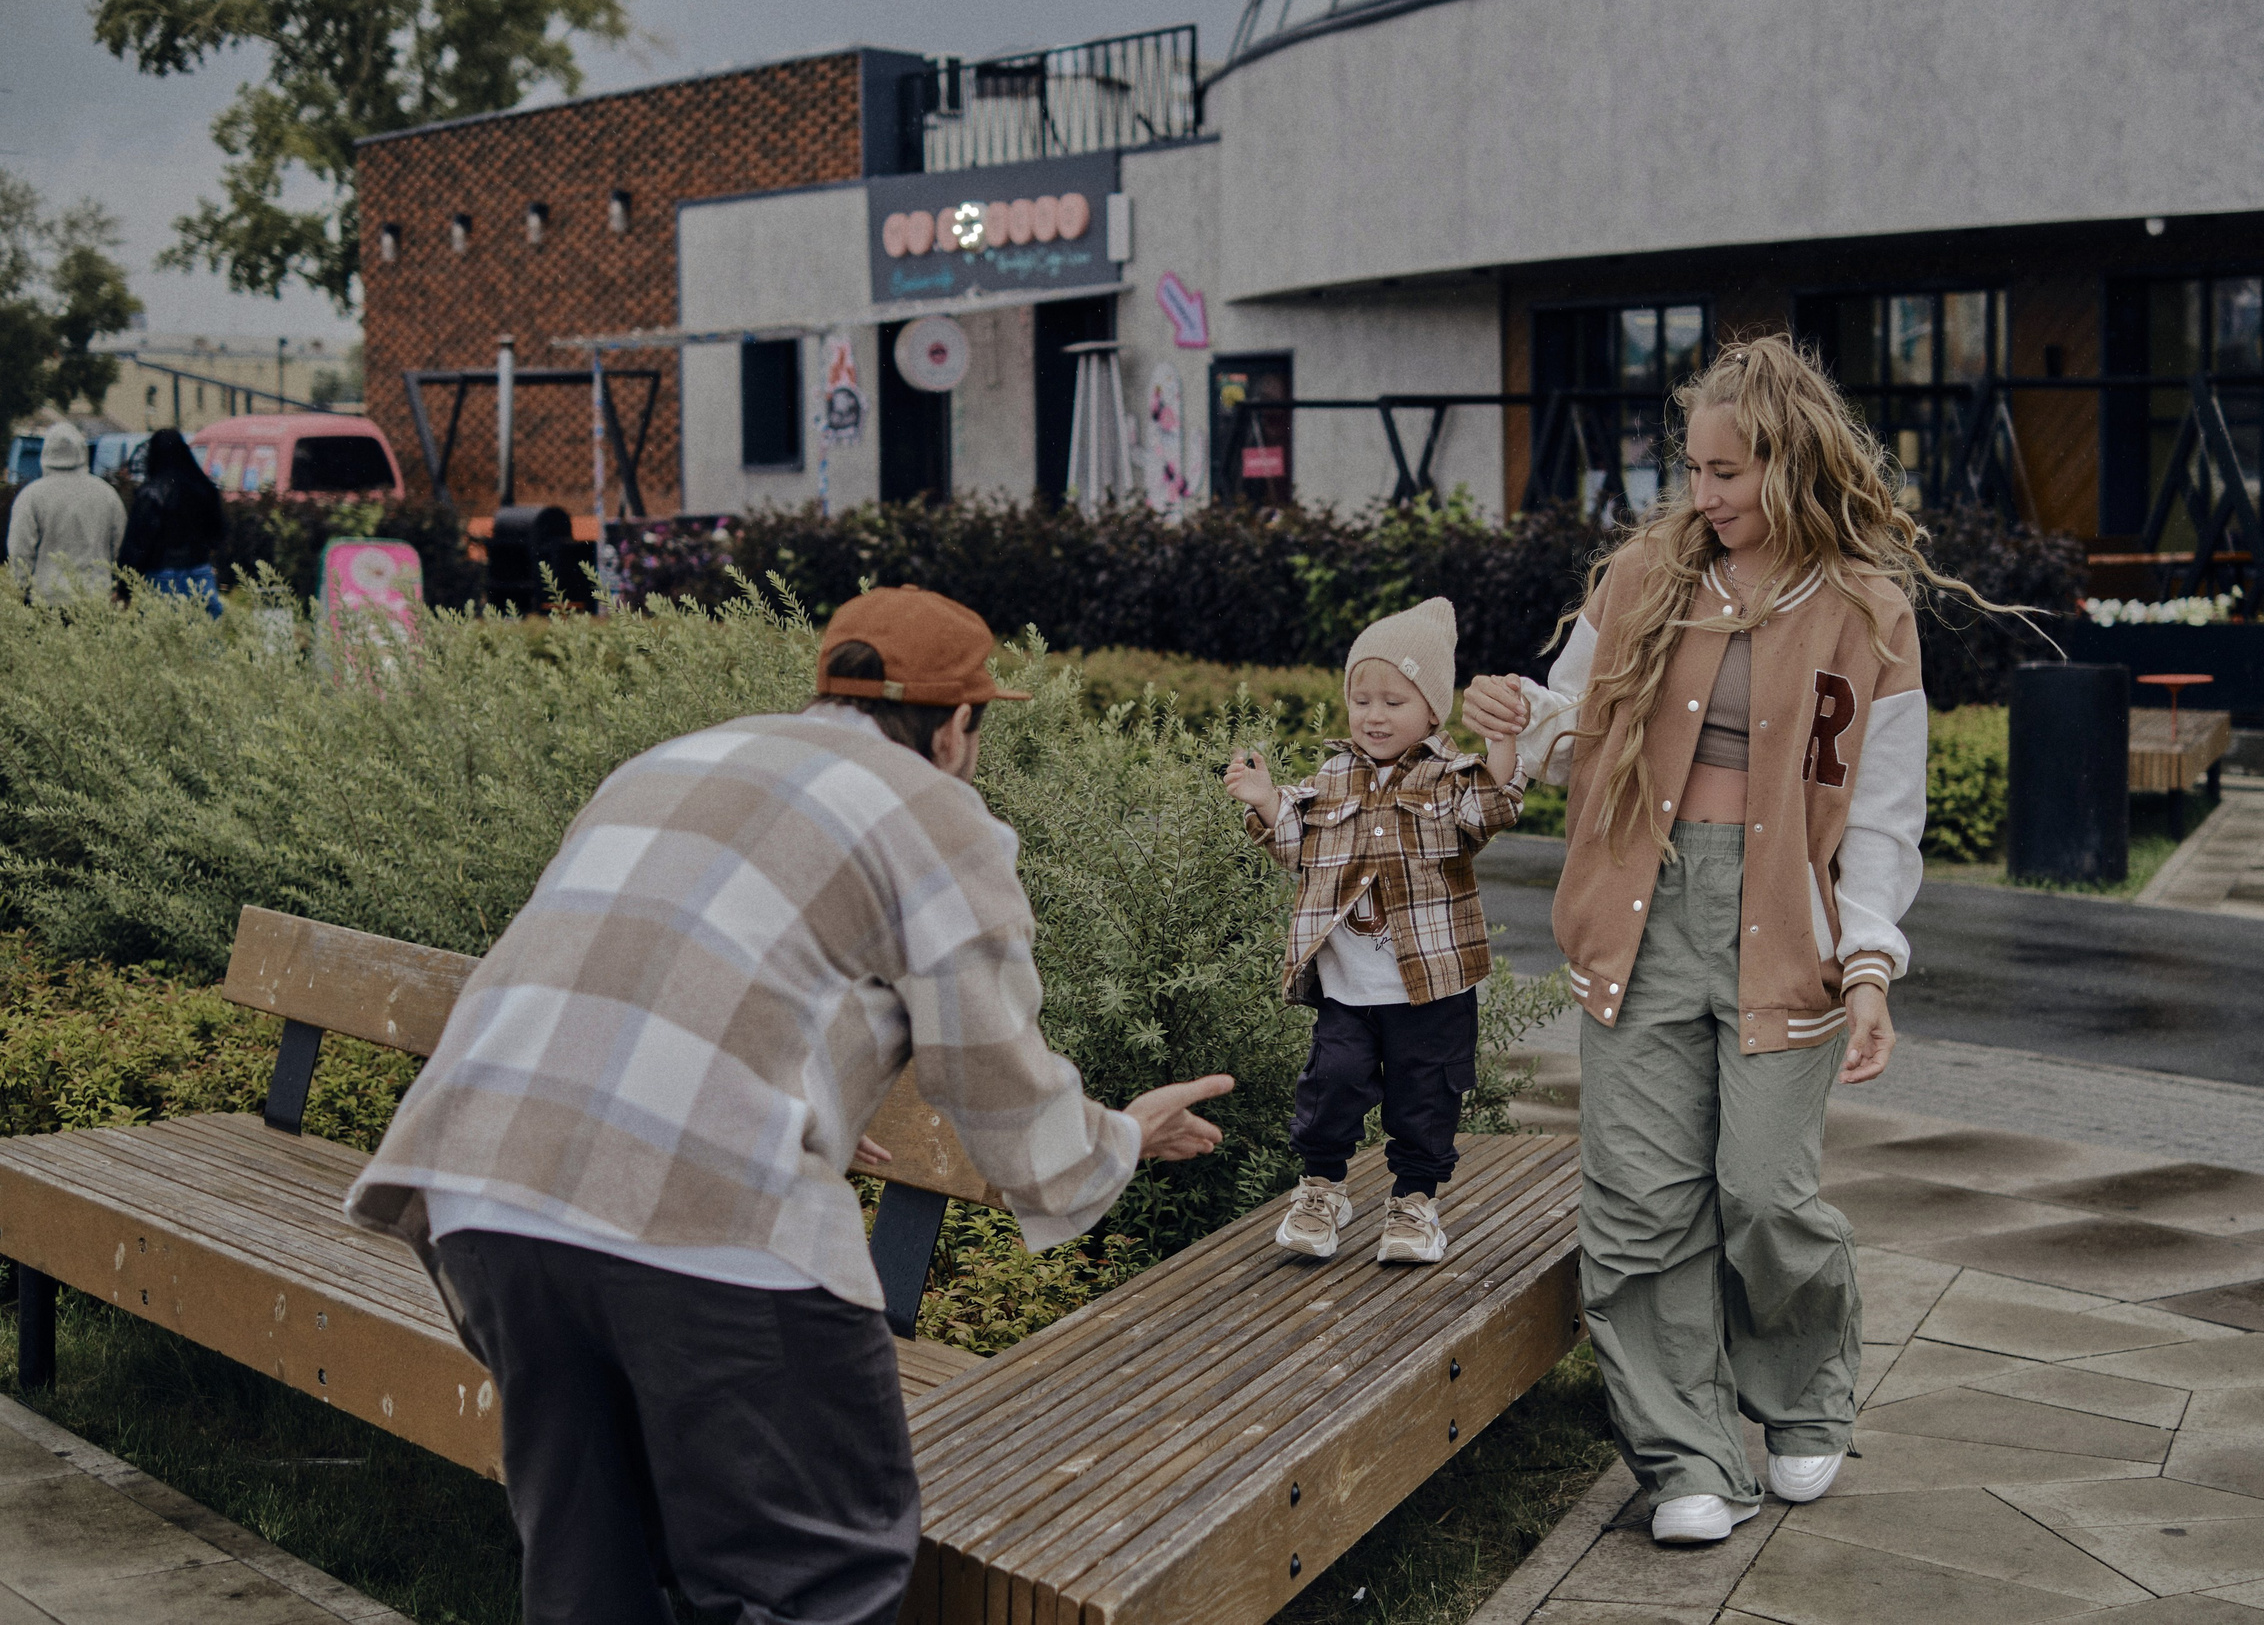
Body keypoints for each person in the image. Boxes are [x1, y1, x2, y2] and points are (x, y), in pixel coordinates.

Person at [346, 584, 1234, 1625]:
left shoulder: (670, 760)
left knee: (595, 1572)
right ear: (956, 728)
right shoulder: (934, 810)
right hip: (701, 1219)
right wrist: (1122, 1136)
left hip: (484, 1191)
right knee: (814, 1580)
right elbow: (992, 1074)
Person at [1465, 338, 2017, 1546]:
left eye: (1727, 472)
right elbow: (1568, 732)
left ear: (1792, 462)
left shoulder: (1867, 608)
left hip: (1789, 934)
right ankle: (1686, 1456)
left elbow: (1879, 814)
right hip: (1638, 919)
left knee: (1764, 1193)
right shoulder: (1645, 576)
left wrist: (1869, 966)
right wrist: (1513, 714)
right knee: (1640, 1209)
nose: (1702, 496)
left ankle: (1803, 1391)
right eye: (1695, 470)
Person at [1224, 596, 1527, 1266]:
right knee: (1330, 1083)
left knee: (1425, 1098)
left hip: (1432, 988)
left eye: (1394, 700)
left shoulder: (1448, 778)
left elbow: (1493, 801)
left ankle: (1415, 1203)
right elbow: (1296, 840)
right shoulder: (1334, 774)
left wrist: (1503, 739)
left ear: (1431, 709)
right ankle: (1322, 1188)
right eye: (1362, 698)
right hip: (1349, 990)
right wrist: (1266, 798)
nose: (1374, 714)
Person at [6, 421, 126, 601]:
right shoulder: (107, 494)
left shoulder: (31, 496)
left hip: (47, 597)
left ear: (46, 452)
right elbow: (119, 545)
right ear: (82, 450)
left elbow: (20, 550)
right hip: (96, 596)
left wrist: (22, 587)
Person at [116, 428, 228, 616]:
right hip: (199, 569)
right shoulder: (203, 488)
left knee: (164, 638)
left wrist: (124, 588)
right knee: (204, 637)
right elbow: (218, 534)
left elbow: (136, 545)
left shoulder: (150, 493)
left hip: (160, 573)